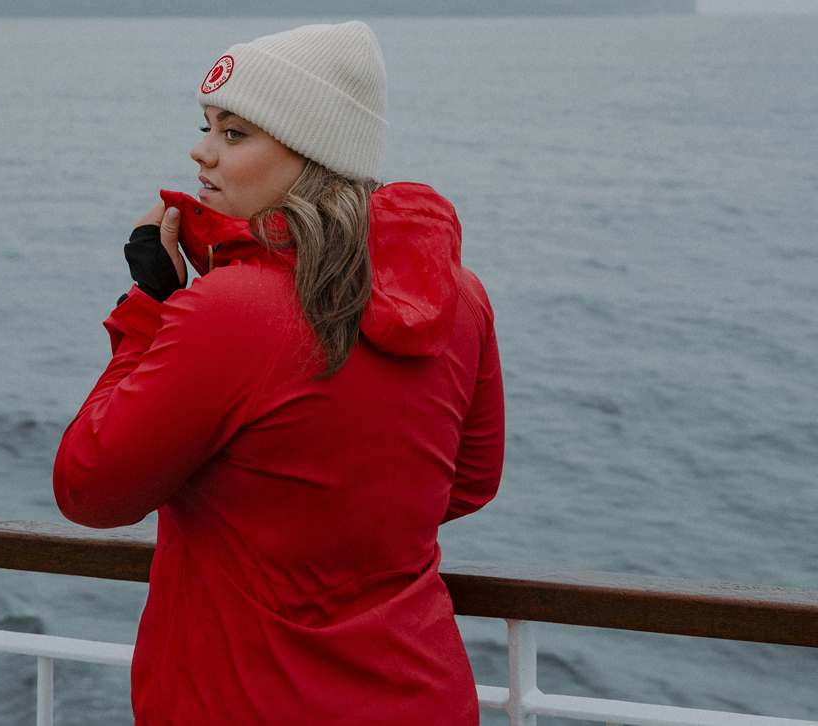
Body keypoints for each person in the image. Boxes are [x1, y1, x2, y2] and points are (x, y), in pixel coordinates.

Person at [53, 20, 504, 726]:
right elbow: (468, 481)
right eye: (206, 127)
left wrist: (149, 305)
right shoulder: (460, 294)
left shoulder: (232, 308)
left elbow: (88, 489)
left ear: (313, 156)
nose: (201, 152)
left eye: (234, 134)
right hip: (423, 694)